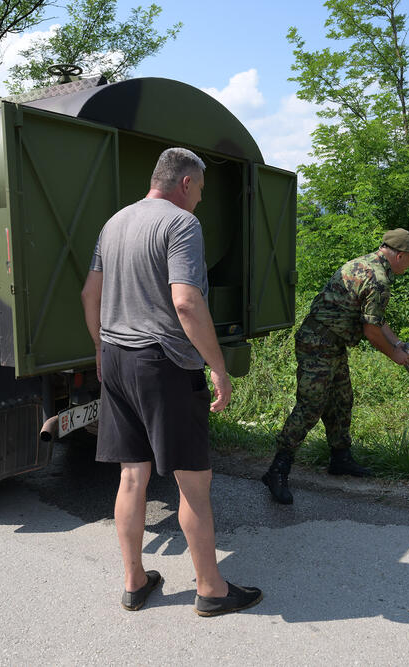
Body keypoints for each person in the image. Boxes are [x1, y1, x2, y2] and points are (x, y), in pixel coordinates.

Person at [80, 147, 262, 616]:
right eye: (200, 188)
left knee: (132, 475)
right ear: (185, 182)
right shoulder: (181, 225)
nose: (200, 198)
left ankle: (134, 581)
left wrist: (101, 348)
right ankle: (211, 590)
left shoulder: (114, 223)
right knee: (192, 483)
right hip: (163, 365)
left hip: (118, 359)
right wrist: (217, 366)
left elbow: (89, 293)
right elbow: (185, 302)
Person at [261, 228, 409, 505]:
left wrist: (398, 343)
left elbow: (375, 318)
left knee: (341, 400)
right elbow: (371, 331)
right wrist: (393, 355)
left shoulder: (363, 263)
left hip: (330, 343)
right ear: (399, 255)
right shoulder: (379, 279)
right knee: (310, 406)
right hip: (318, 343)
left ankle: (340, 458)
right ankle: (277, 469)